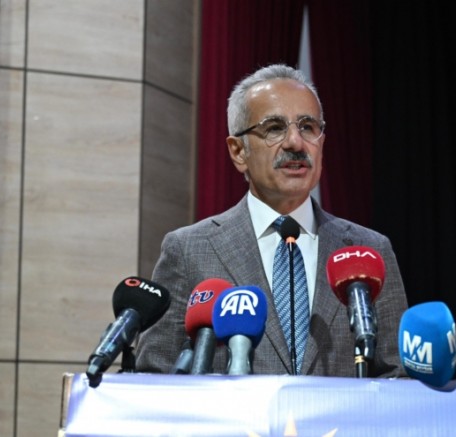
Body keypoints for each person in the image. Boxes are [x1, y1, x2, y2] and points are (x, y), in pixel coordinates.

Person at [135, 63, 408, 377]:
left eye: (308, 127)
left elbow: (397, 376)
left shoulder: (369, 251)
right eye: (275, 128)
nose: (295, 143)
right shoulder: (189, 250)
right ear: (238, 152)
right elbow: (155, 377)